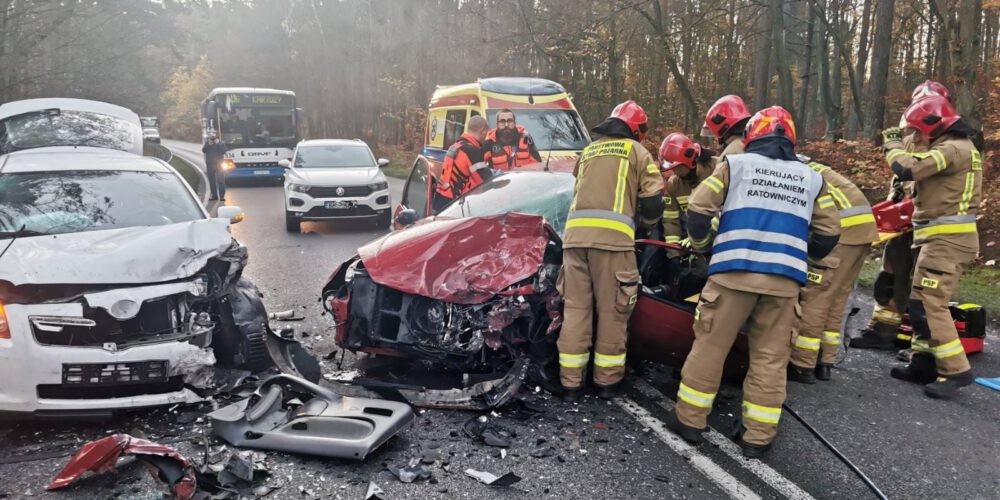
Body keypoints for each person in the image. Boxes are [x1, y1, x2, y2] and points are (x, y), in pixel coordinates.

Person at [665, 106, 841, 457]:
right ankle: (757, 437)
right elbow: (830, 232)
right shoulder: (811, 178)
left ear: (751, 136)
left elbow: (698, 210)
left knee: (710, 349)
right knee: (771, 360)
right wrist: (800, 257)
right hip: (784, 284)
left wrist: (704, 247)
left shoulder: (735, 165)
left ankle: (690, 421)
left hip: (732, 275)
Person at [558, 100, 664, 401]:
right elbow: (654, 201)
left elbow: (578, 189)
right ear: (637, 130)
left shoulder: (588, 151)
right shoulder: (636, 151)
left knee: (575, 310)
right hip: (613, 244)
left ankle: (570, 383)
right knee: (613, 312)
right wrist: (645, 226)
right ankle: (607, 382)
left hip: (574, 241)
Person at [881, 95, 981, 399]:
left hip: (946, 242)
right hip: (939, 240)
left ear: (933, 125)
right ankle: (923, 362)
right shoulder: (956, 146)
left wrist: (892, 144)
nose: (916, 138)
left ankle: (956, 369)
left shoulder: (952, 149)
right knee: (919, 303)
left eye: (917, 131)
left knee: (929, 303)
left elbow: (908, 168)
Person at [852, 81, 949, 350]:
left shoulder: (948, 144)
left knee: (924, 287)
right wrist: (892, 204)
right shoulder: (909, 137)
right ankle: (882, 329)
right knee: (890, 276)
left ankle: (924, 348)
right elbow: (900, 176)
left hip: (930, 223)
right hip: (902, 218)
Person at [788, 155, 878, 383]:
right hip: (862, 232)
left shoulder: (791, 172)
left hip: (840, 234)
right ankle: (825, 360)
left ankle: (802, 364)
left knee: (815, 296)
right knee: (837, 297)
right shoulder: (813, 167)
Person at [658, 132, 717, 245]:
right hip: (695, 244)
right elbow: (670, 220)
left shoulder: (719, 168)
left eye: (677, 167)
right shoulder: (674, 184)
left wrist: (697, 237)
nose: (674, 172)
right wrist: (674, 250)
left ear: (689, 162)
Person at [433, 115, 491, 212]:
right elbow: (485, 180)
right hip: (454, 205)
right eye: (486, 133)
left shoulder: (455, 146)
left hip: (440, 200)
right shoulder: (472, 151)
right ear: (482, 131)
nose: (486, 137)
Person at [202, 132, 228, 201]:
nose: (213, 137)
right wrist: (208, 145)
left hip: (219, 164)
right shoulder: (208, 142)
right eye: (212, 136)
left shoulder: (221, 143)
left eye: (214, 136)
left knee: (221, 180)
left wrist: (218, 143)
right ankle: (214, 195)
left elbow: (224, 151)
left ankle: (222, 196)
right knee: (212, 181)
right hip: (210, 165)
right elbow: (204, 150)